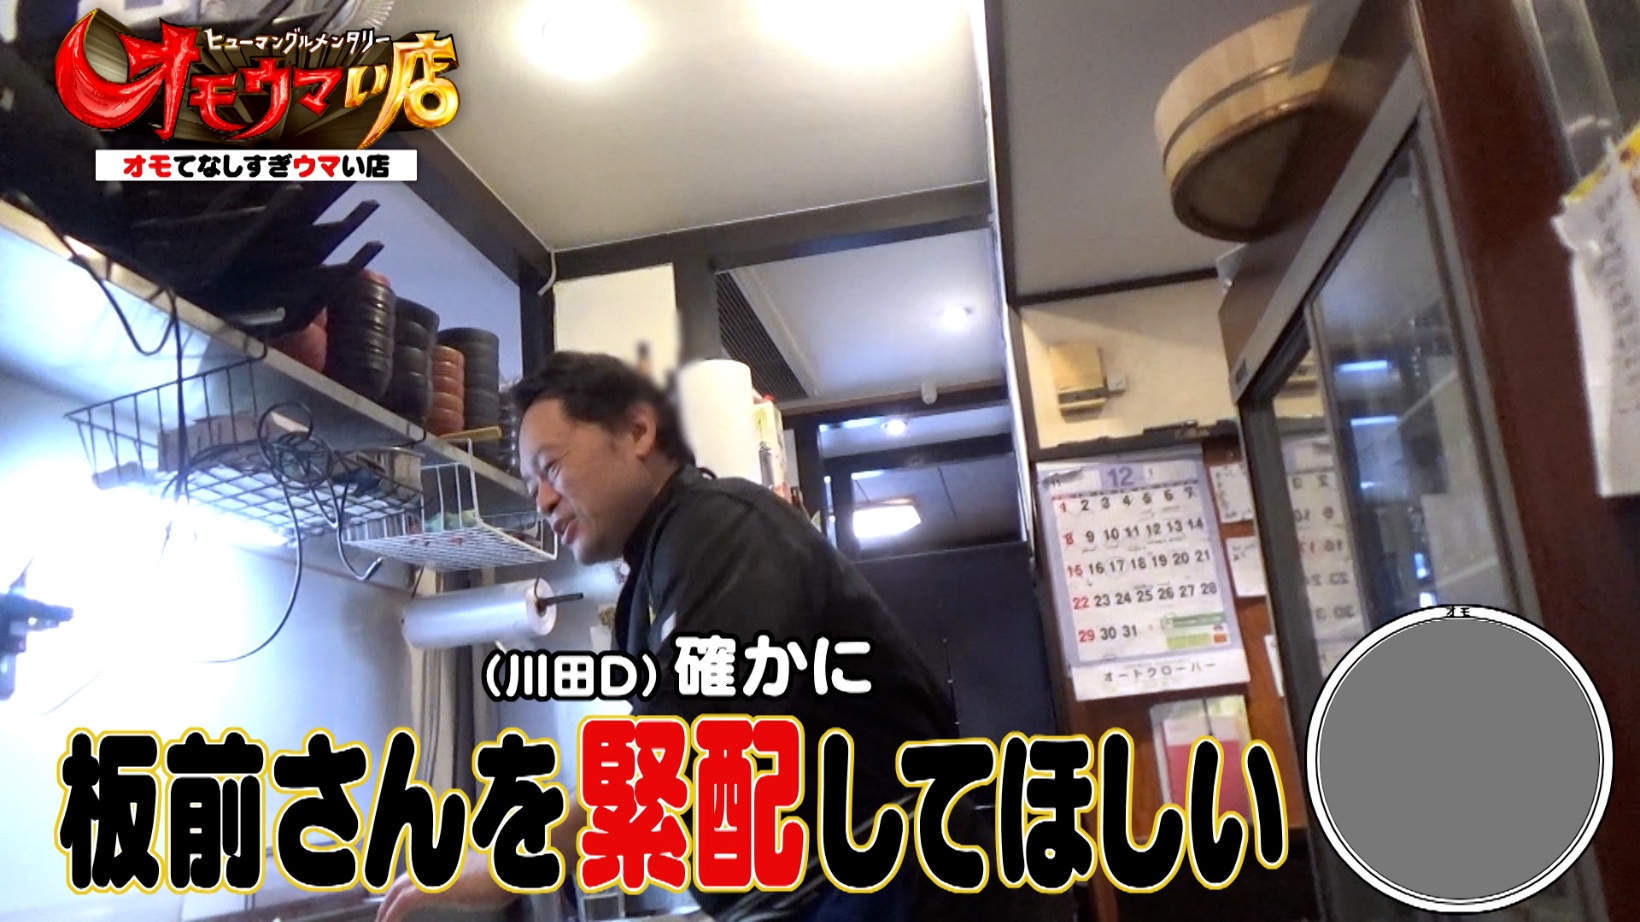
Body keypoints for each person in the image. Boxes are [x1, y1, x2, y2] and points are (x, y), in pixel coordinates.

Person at [377, 351, 964, 922]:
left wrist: (514, 859)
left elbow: (679, 746)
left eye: (551, 469)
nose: (546, 501)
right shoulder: (652, 577)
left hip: (893, 885)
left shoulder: (721, 526)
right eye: (533, 489)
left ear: (638, 431)